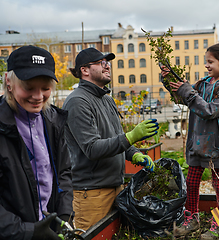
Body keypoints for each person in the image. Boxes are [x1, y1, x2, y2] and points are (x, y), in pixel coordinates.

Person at [63, 47, 159, 231]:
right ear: (84, 70)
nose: (107, 67)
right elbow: (92, 149)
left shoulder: (106, 99)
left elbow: (116, 138)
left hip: (116, 186)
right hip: (91, 194)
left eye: (108, 63)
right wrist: (131, 136)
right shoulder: (77, 102)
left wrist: (135, 154)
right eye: (101, 63)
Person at [161, 43, 219, 240]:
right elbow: (182, 98)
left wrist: (189, 91)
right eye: (206, 62)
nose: (207, 66)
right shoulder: (203, 83)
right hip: (197, 141)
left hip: (216, 143)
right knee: (192, 182)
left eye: (210, 62)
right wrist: (169, 79)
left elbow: (210, 110)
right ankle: (191, 219)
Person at [0, 45, 73, 240]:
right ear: (9, 82)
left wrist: (64, 213)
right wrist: (28, 233)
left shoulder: (53, 122)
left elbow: (63, 171)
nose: (38, 97)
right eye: (29, 87)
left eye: (46, 88)